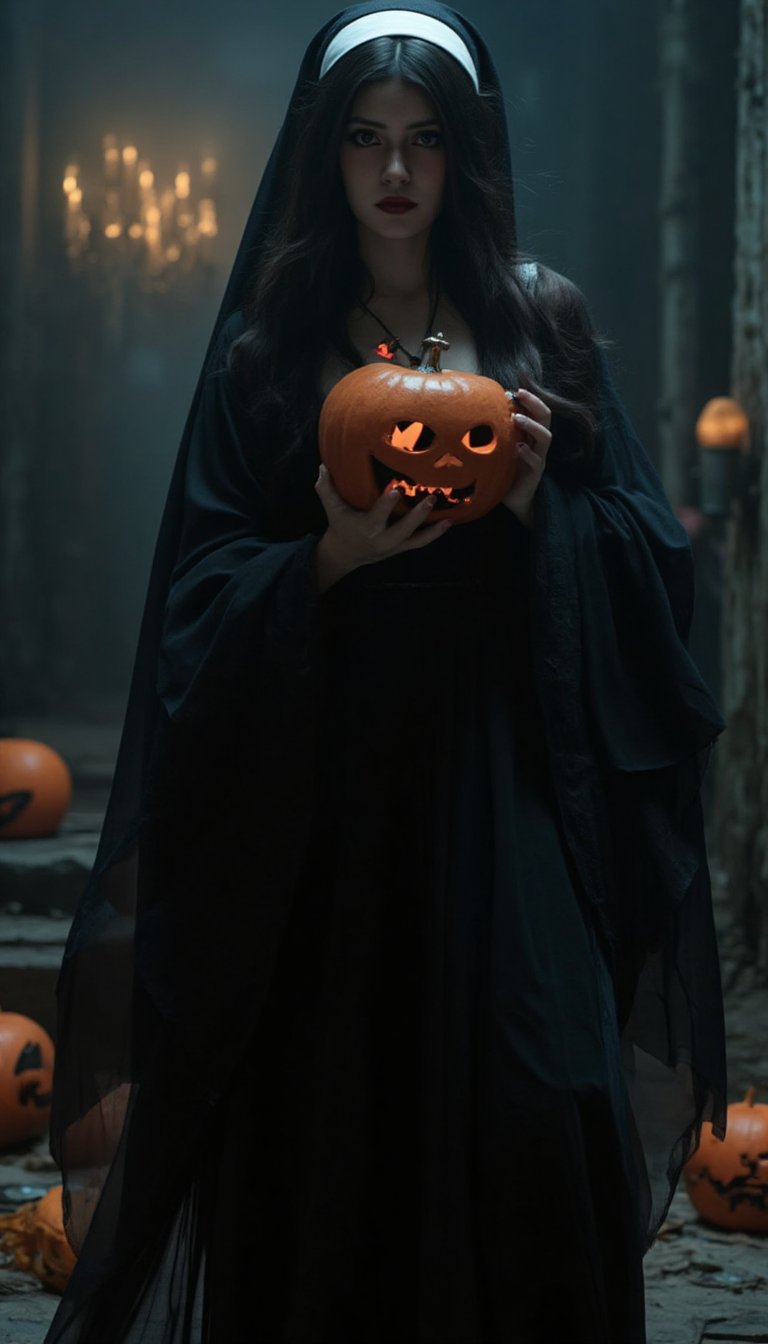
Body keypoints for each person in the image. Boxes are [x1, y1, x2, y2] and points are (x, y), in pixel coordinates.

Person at [43, 4, 728, 1342]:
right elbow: (193, 602)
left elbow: (653, 567)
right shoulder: (268, 351)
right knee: (329, 1116)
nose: (396, 168)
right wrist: (324, 562)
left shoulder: (542, 325)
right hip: (328, 803)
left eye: (424, 139)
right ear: (328, 155)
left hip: (505, 785)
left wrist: (542, 510)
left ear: (465, 154)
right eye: (366, 139)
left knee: (543, 1101)